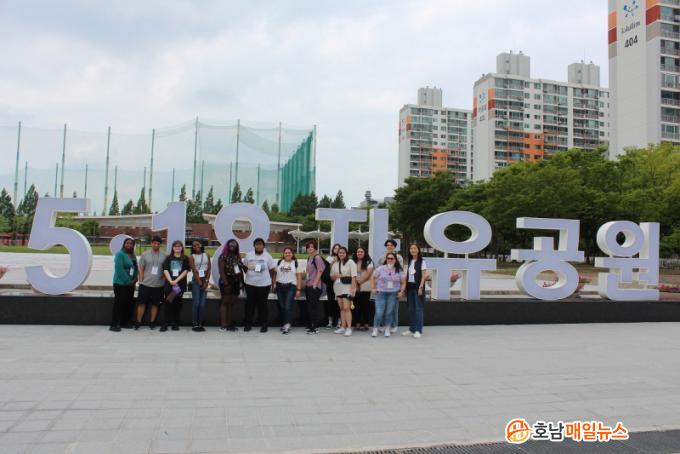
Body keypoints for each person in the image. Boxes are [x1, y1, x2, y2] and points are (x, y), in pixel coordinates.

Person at [242, 237, 276, 333]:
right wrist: (251, 275)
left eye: (261, 244)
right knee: (250, 305)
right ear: (254, 246)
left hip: (264, 285)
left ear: (264, 246)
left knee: (263, 305)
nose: (259, 246)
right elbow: (244, 267)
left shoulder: (268, 256)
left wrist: (271, 282)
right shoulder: (249, 255)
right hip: (250, 284)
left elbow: (272, 270)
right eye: (257, 244)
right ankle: (248, 324)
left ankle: (264, 324)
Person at [370, 252, 405, 338]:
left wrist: (401, 291)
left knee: (389, 312)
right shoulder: (381, 268)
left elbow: (403, 282)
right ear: (386, 259)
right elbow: (373, 277)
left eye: (392, 258)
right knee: (379, 312)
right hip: (381, 293)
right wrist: (373, 288)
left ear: (395, 260)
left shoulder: (399, 270)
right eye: (388, 258)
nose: (390, 260)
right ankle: (375, 328)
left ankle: (387, 329)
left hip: (393, 294)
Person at [135, 235, 166, 330]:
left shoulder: (164, 255)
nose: (156, 245)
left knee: (155, 304)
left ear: (160, 245)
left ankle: (152, 322)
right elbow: (141, 268)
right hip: (145, 284)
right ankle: (138, 322)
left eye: (158, 243)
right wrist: (141, 280)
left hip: (158, 285)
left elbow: (166, 269)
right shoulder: (145, 254)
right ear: (151, 243)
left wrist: (164, 277)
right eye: (154, 243)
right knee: (141, 304)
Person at [161, 240, 190, 332]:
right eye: (175, 246)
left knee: (177, 304)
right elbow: (165, 270)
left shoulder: (185, 258)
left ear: (182, 248)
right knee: (168, 303)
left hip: (180, 285)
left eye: (179, 246)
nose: (177, 248)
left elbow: (185, 271)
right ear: (173, 248)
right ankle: (165, 323)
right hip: (169, 284)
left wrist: (176, 281)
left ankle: (175, 323)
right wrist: (171, 281)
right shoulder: (168, 258)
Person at [110, 237, 138, 332]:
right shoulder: (120, 254)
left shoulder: (132, 255)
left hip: (131, 284)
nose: (129, 245)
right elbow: (119, 269)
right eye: (127, 243)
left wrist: (135, 279)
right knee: (119, 304)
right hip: (120, 283)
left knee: (128, 303)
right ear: (124, 244)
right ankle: (114, 324)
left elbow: (135, 268)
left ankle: (125, 322)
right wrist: (128, 281)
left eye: (131, 244)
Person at [377, 239, 404, 333]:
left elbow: (400, 270)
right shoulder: (382, 257)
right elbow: (378, 271)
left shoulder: (399, 257)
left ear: (394, 247)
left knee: (393, 307)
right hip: (383, 286)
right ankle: (383, 325)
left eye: (391, 245)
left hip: (394, 285)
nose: (389, 246)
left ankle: (393, 325)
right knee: (383, 307)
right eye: (388, 245)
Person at [275, 247, 303, 334]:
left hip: (291, 287)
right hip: (280, 286)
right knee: (282, 306)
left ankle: (287, 324)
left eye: (289, 252)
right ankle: (285, 323)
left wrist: (298, 289)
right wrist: (274, 285)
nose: (287, 254)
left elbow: (299, 277)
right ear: (283, 254)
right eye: (286, 253)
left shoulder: (296, 263)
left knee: (287, 306)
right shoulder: (280, 262)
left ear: (292, 254)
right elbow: (275, 274)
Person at [217, 239, 244, 331]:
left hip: (236, 281)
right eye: (231, 244)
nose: (232, 246)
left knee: (231, 303)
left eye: (234, 245)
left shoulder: (237, 257)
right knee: (225, 302)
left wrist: (241, 283)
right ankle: (223, 325)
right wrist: (226, 284)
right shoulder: (223, 256)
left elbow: (239, 271)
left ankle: (229, 324)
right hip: (226, 281)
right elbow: (221, 271)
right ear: (227, 246)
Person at [330, 246, 357, 336]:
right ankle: (343, 327)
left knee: (346, 308)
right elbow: (331, 277)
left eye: (343, 253)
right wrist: (335, 276)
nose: (341, 254)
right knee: (341, 308)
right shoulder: (335, 264)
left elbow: (354, 276)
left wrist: (353, 289)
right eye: (340, 253)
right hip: (338, 288)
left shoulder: (350, 262)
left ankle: (349, 328)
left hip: (348, 288)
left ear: (346, 254)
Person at [403, 242, 428, 339]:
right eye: (411, 248)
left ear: (418, 250)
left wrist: (420, 287)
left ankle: (418, 330)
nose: (413, 250)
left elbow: (423, 276)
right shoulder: (410, 261)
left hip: (417, 287)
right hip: (410, 287)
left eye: (415, 248)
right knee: (411, 309)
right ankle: (412, 329)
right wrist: (404, 288)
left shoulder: (422, 261)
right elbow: (407, 275)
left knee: (418, 309)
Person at [304, 240, 326, 334]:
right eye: (308, 247)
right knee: (310, 306)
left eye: (312, 247)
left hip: (315, 286)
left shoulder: (317, 257)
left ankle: (314, 327)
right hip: (309, 285)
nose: (310, 248)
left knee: (313, 307)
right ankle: (311, 324)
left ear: (315, 248)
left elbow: (320, 271)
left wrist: (315, 284)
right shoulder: (309, 258)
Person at [189, 240, 211, 332]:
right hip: (196, 280)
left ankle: (200, 323)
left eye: (198, 244)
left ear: (201, 245)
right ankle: (195, 324)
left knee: (202, 304)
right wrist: (199, 281)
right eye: (194, 246)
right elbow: (194, 270)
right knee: (196, 303)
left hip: (204, 279)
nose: (196, 246)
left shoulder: (207, 255)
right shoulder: (191, 257)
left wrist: (206, 281)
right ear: (192, 248)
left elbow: (209, 269)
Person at [352, 247, 374, 331]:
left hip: (365, 286)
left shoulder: (369, 262)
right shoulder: (353, 261)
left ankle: (366, 323)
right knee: (356, 305)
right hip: (355, 286)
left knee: (366, 305)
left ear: (365, 253)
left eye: (361, 252)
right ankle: (357, 323)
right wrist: (356, 284)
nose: (360, 253)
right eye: (358, 252)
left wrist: (360, 282)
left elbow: (369, 273)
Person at [325, 243, 341, 329]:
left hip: (340, 282)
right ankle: (330, 322)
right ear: (333, 249)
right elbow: (326, 270)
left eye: (338, 248)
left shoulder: (342, 258)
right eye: (335, 248)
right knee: (330, 302)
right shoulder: (329, 258)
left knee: (339, 302)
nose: (337, 250)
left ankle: (339, 322)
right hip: (330, 282)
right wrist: (333, 261)